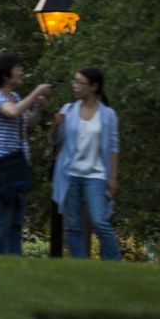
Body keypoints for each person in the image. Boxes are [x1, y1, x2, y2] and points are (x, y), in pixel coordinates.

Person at [0, 54, 55, 256]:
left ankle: (14, 263)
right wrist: (36, 92)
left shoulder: (15, 97)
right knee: (3, 219)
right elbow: (13, 112)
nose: (21, 72)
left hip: (19, 164)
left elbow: (29, 123)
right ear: (6, 75)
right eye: (18, 69)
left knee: (17, 220)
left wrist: (38, 107)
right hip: (2, 165)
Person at [53, 66, 122, 260]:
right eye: (74, 82)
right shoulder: (68, 110)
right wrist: (55, 124)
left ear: (93, 86)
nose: (75, 86)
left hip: (96, 176)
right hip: (70, 175)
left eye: (79, 82)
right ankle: (79, 264)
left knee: (100, 221)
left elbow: (113, 147)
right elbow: (55, 140)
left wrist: (113, 177)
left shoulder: (108, 115)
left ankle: (115, 261)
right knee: (73, 226)